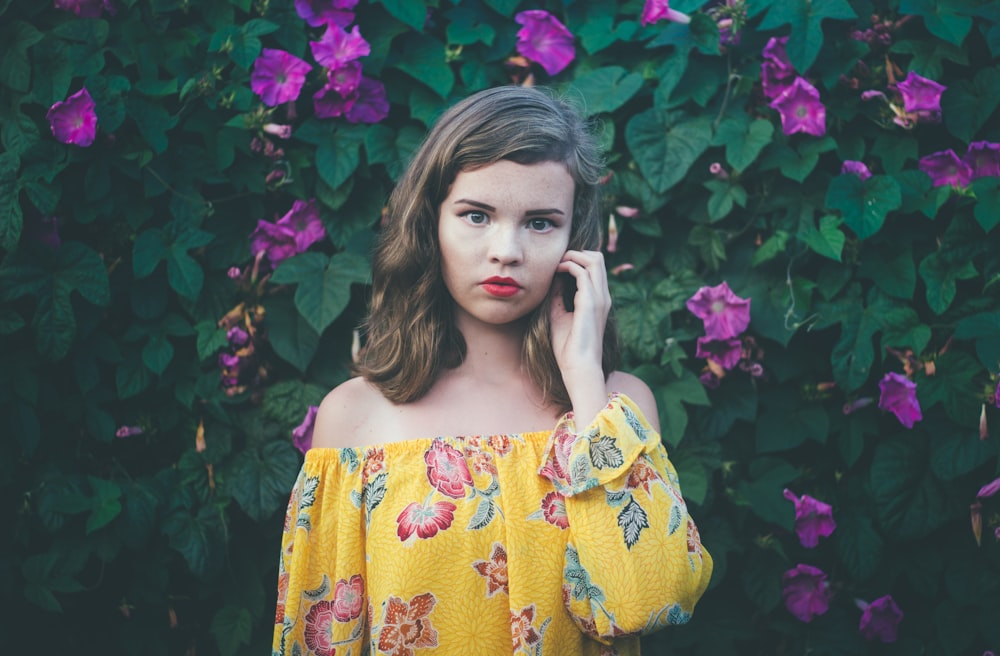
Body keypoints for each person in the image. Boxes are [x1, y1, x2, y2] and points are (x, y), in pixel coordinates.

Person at [273, 86, 712, 656]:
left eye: (540, 222)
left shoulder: (614, 408)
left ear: (575, 242)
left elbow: (648, 602)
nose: (506, 250)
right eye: (476, 215)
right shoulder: (356, 417)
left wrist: (583, 379)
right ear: (430, 222)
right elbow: (320, 642)